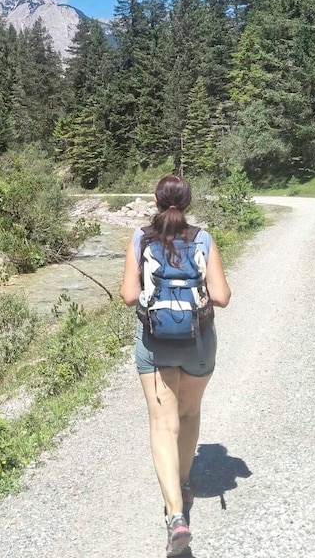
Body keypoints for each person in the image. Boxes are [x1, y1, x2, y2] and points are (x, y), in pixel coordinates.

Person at [120, 174, 231, 556]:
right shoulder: (202, 238)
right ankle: (183, 481)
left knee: (162, 424)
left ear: (155, 200)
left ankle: (175, 516)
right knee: (189, 413)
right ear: (187, 202)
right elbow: (221, 296)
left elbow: (129, 295)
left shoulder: (140, 237)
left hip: (155, 345)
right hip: (198, 343)